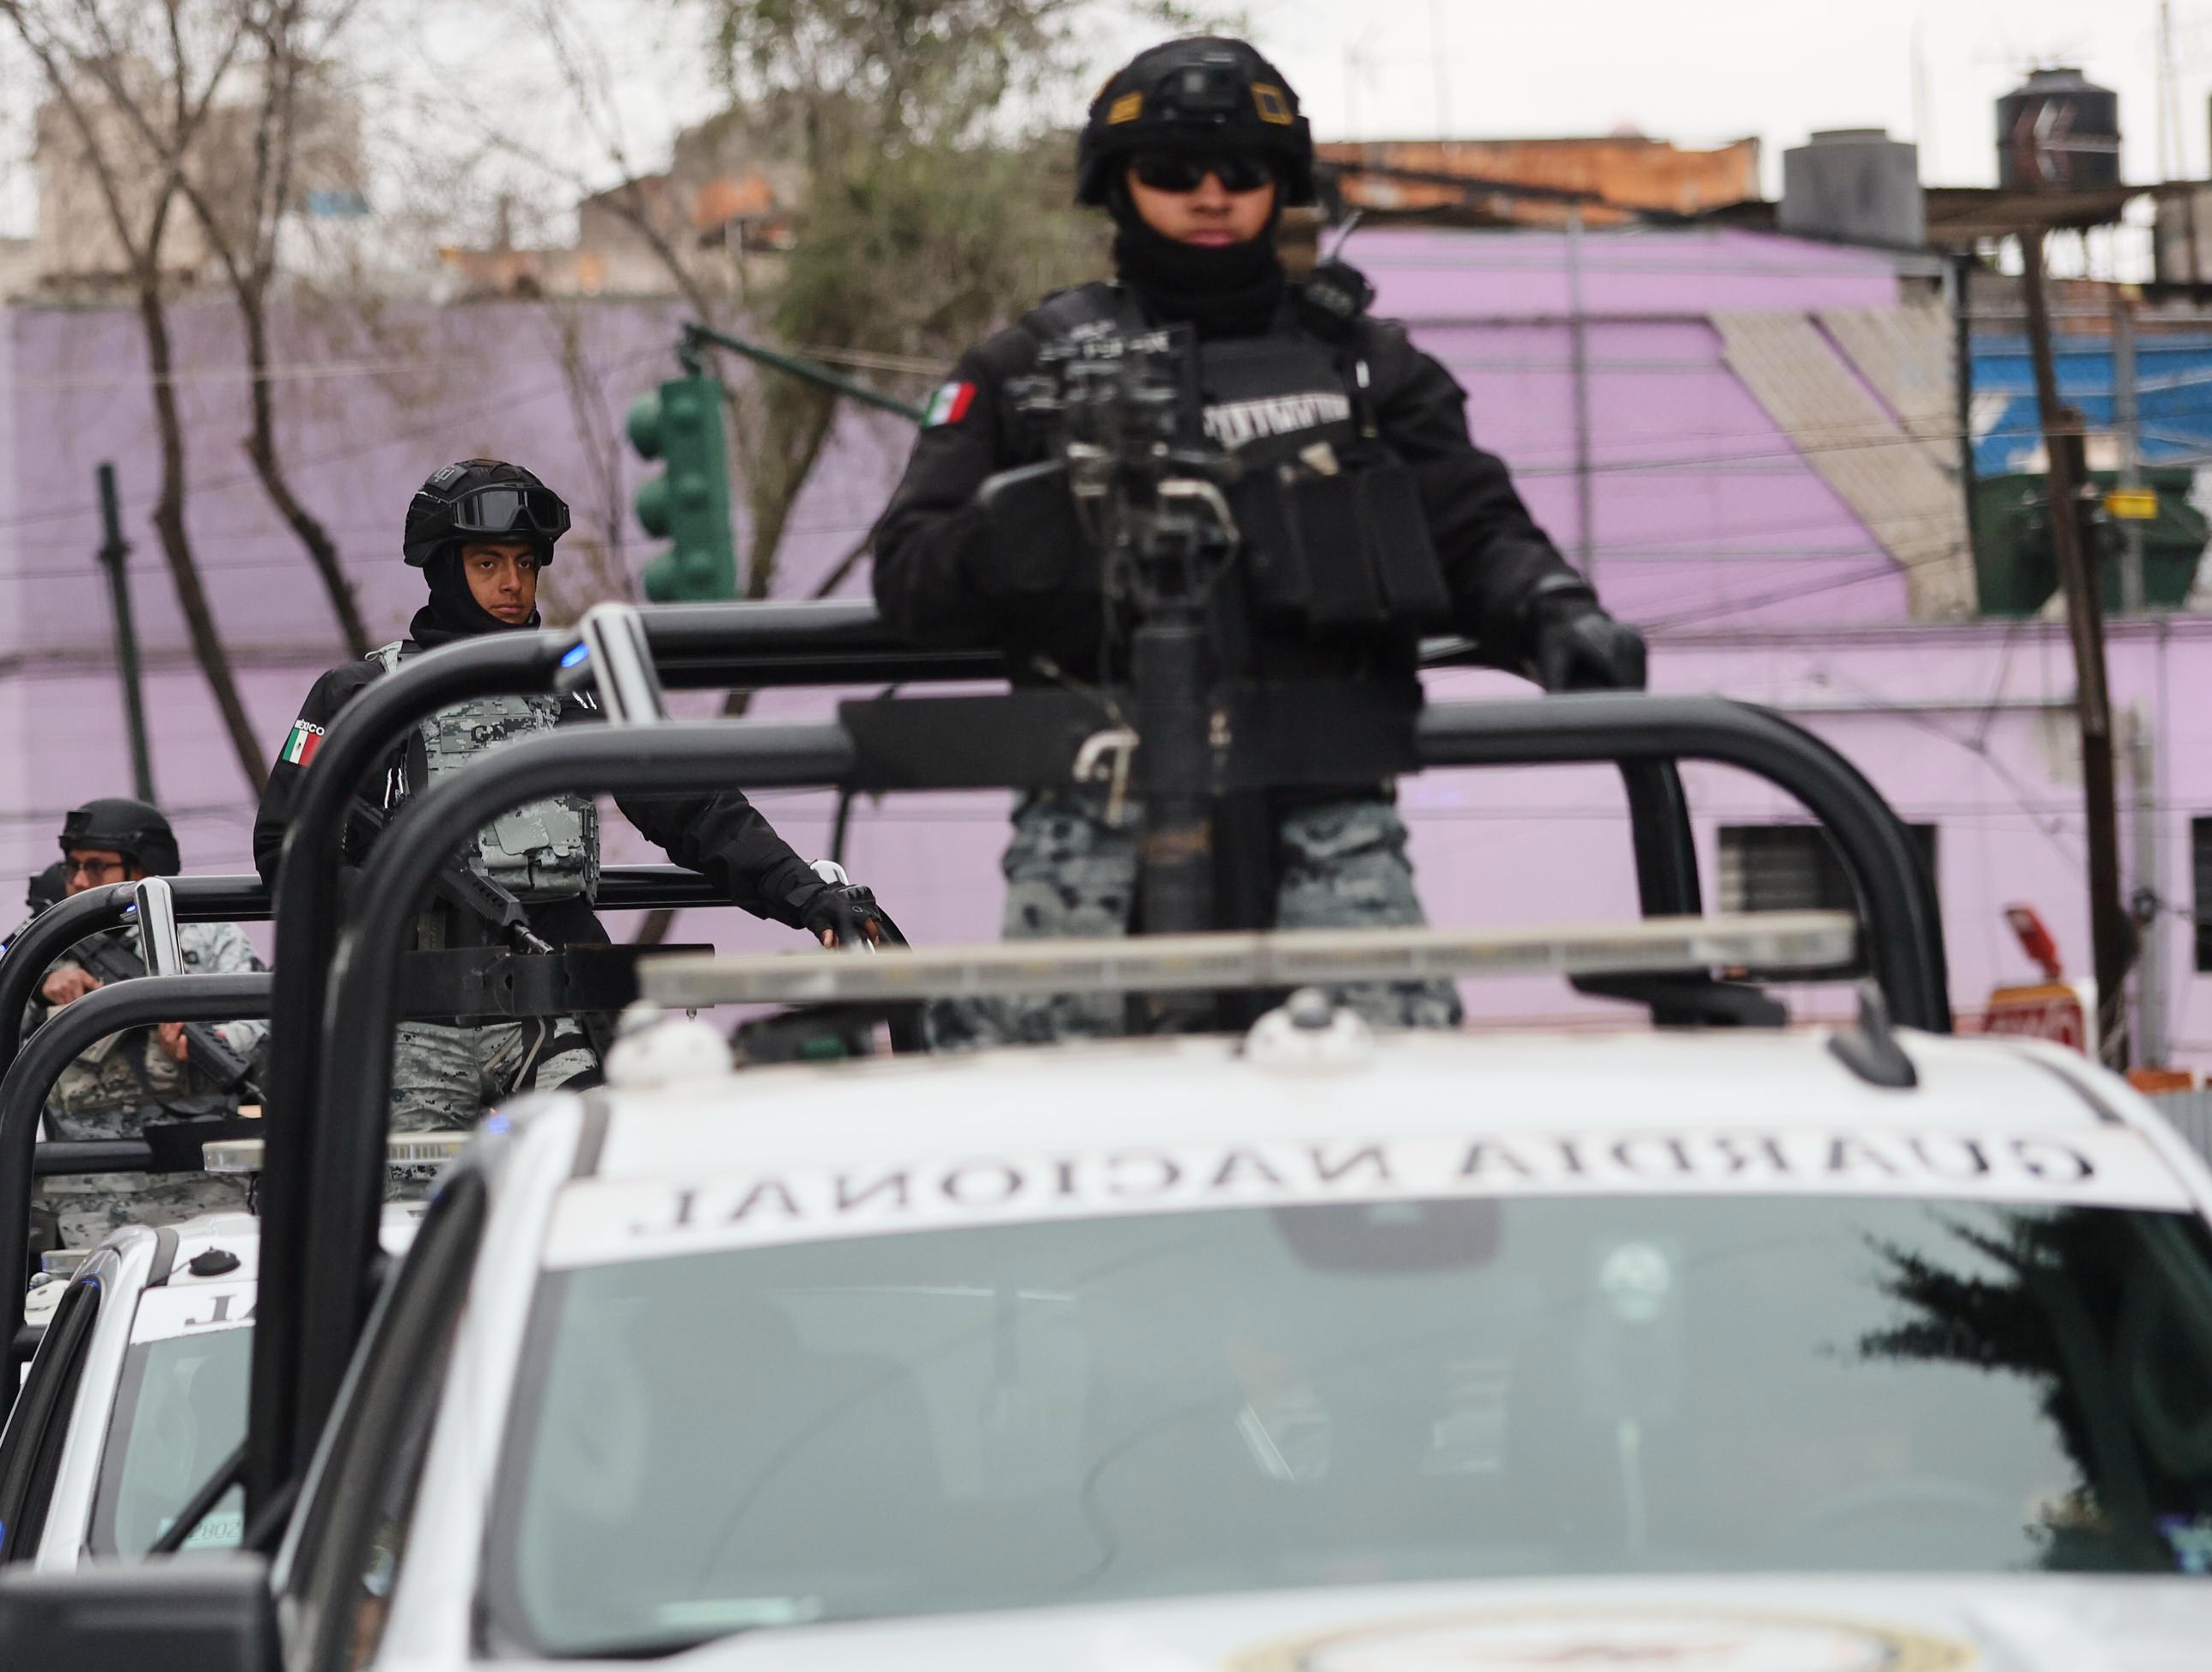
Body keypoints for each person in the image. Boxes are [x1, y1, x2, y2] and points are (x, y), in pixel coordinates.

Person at [868, 35, 1646, 1043]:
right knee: (1057, 1126)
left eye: (1238, 170)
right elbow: (911, 574)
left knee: (1383, 1109)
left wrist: (1555, 613)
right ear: (1118, 185)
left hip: (1331, 820)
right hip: (1089, 830)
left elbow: (1475, 531)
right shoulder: (1024, 371)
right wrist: (1057, 520)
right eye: (1170, 170)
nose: (1207, 193)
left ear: (1276, 184)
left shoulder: (1366, 370)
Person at [256, 459, 894, 1127]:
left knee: (608, 1161)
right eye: (488, 564)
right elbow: (287, 848)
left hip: (553, 995)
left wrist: (807, 896)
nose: (512, 583)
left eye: (527, 564)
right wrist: (388, 896)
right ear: (444, 569)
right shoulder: (364, 694)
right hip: (415, 1003)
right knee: (401, 1206)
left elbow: (694, 803)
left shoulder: (577, 684)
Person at [0, 797, 264, 1244]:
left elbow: (265, 1018)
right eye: (72, 866)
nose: (76, 881)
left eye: (96, 867)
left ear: (144, 868)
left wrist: (214, 1038)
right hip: (87, 1191)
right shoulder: (41, 939)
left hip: (201, 1183)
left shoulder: (206, 933)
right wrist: (35, 988)